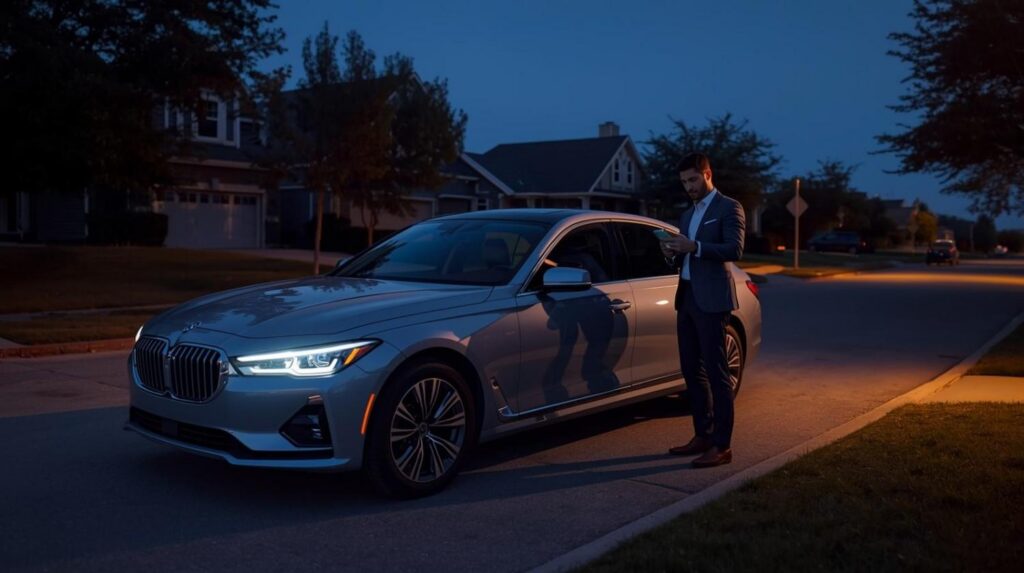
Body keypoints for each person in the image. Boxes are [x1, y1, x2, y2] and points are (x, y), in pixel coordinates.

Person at [660, 152, 745, 468]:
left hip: (712, 301)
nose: (689, 187)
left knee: (717, 373)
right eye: (684, 182)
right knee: (691, 371)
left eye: (693, 179)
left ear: (707, 174)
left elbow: (734, 249)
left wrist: (694, 247)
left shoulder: (729, 207)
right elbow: (684, 258)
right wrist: (672, 252)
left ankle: (722, 446)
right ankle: (703, 435)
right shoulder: (687, 215)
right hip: (687, 298)